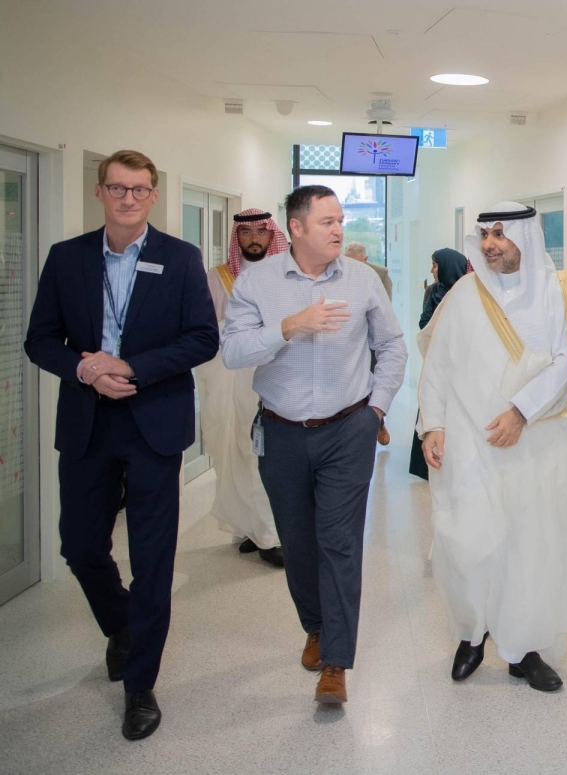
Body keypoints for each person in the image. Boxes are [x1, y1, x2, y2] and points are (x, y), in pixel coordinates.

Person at [24, 150, 219, 740]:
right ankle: (123, 624)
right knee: (80, 545)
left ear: (153, 195)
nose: (127, 198)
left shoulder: (180, 258)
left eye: (138, 189)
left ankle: (140, 685)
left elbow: (202, 338)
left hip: (153, 420)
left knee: (153, 558)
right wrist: (86, 369)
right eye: (117, 188)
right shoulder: (67, 258)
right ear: (100, 193)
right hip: (88, 420)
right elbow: (39, 340)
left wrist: (130, 367)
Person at [418, 202, 567, 692]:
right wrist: (432, 425)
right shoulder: (464, 294)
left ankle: (524, 649)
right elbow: (437, 364)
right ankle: (472, 634)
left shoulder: (559, 291)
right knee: (468, 543)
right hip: (470, 445)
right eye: (484, 235)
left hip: (535, 443)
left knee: (530, 548)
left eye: (500, 234)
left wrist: (520, 412)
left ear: (525, 237)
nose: (489, 244)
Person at [222, 185, 407, 706]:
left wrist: (376, 410)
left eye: (340, 220)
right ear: (296, 228)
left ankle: (336, 662)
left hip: (348, 429)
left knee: (340, 543)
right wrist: (289, 327)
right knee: (298, 543)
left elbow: (392, 346)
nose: (338, 229)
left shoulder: (361, 279)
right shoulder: (257, 282)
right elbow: (232, 352)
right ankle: (316, 627)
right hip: (280, 432)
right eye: (327, 221)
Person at [195, 209, 289, 567]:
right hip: (227, 379)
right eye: (246, 232)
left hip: (271, 376)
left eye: (261, 232)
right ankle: (249, 528)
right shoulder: (218, 277)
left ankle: (271, 535)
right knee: (231, 452)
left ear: (272, 236)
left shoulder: (285, 274)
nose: (254, 238)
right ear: (237, 237)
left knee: (261, 455)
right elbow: (205, 330)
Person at [409, 247, 470, 480]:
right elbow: (424, 322)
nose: (432, 270)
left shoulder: (469, 292)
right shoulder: (433, 291)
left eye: (435, 265)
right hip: (438, 361)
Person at [343, 241, 393, 445]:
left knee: (373, 380)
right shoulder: (338, 273)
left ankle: (379, 423)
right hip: (346, 338)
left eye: (358, 262)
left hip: (372, 337)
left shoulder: (379, 274)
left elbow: (385, 310)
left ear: (365, 260)